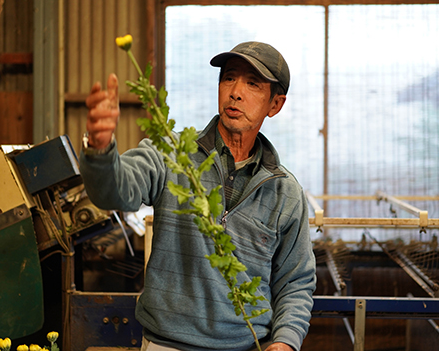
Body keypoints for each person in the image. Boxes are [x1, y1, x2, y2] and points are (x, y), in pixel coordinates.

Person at [80, 41, 316, 351]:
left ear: (275, 105)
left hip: (246, 345)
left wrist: (285, 341)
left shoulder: (286, 193)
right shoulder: (173, 153)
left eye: (253, 84)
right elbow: (115, 191)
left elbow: (295, 282)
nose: (235, 91)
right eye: (229, 77)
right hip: (167, 344)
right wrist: (100, 150)